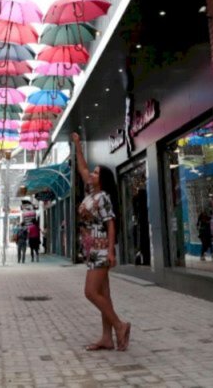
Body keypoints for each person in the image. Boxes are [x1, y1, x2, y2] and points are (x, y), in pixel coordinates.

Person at [72, 131, 131, 352]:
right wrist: (78, 145)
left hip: (100, 250)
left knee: (90, 292)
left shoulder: (103, 197)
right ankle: (107, 338)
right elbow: (82, 168)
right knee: (103, 294)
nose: (92, 174)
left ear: (102, 179)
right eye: (93, 172)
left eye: (96, 173)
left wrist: (111, 251)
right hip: (91, 250)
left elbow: (111, 223)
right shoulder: (90, 194)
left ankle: (120, 325)